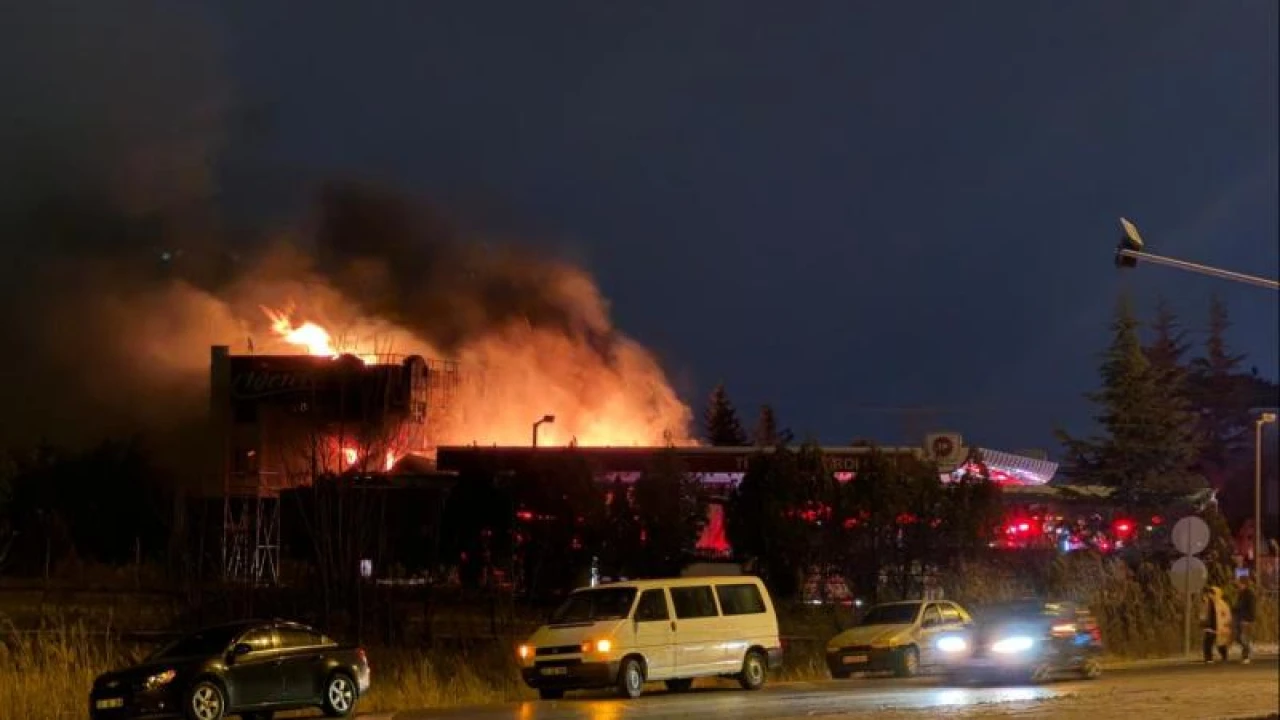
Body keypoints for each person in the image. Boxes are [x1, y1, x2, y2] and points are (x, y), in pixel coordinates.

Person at [1200, 586, 1232, 663]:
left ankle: (1224, 656)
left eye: (1212, 593)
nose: (1211, 595)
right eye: (1210, 593)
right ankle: (1208, 658)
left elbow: (1227, 615)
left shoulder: (1222, 604)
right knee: (1207, 642)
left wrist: (1225, 623)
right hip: (1210, 626)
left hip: (1220, 626)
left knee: (1221, 643)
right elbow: (1203, 613)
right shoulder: (1207, 603)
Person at [1233, 576, 1256, 664]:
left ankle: (1246, 656)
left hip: (1246, 619)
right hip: (1240, 618)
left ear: (1244, 584)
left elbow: (1252, 608)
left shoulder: (1249, 594)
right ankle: (1247, 651)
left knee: (1243, 638)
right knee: (1239, 637)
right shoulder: (1241, 593)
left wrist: (1248, 619)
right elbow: (1239, 606)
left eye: (1239, 583)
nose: (1237, 585)